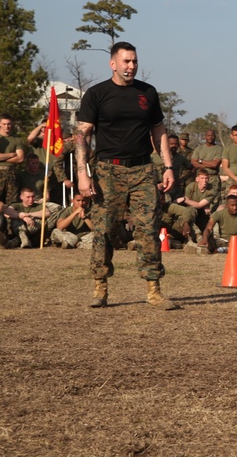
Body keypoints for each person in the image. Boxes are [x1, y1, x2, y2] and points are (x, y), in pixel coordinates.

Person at [74, 41, 179, 310]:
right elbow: (82, 135)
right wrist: (83, 175)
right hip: (107, 171)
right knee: (104, 230)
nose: (131, 66)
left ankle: (154, 291)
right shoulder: (97, 94)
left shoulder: (148, 92)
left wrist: (168, 166)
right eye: (126, 61)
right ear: (113, 64)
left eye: (134, 61)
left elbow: (159, 130)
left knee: (148, 230)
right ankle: (100, 288)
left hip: (143, 170)